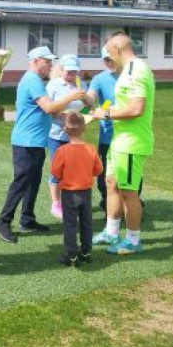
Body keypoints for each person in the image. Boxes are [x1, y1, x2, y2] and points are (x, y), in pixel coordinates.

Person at [0, 46, 87, 243]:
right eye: (47, 61)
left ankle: (27, 219)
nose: (50, 65)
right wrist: (72, 97)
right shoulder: (33, 80)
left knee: (33, 182)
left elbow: (44, 110)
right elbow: (49, 107)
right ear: (36, 61)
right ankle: (3, 222)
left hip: (35, 141)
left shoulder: (33, 80)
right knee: (21, 183)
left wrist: (61, 115)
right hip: (26, 142)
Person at [95, 32, 155, 255]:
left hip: (131, 142)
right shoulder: (127, 70)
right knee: (111, 184)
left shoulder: (136, 70)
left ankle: (132, 240)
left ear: (117, 49)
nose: (109, 56)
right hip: (119, 141)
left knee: (129, 192)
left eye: (109, 52)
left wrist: (106, 113)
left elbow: (136, 108)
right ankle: (111, 232)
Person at [50, 112, 103, 266]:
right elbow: (98, 170)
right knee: (87, 222)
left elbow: (55, 172)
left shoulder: (62, 151)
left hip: (69, 193)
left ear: (65, 129)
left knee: (70, 224)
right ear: (84, 128)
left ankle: (71, 254)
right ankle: (86, 252)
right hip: (86, 192)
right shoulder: (91, 149)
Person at [45, 54, 89, 219]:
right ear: (61, 69)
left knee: (73, 170)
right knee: (57, 170)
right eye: (68, 71)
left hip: (75, 135)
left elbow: (85, 105)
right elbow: (48, 109)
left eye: (74, 71)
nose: (71, 74)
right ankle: (56, 203)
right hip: (57, 134)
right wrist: (60, 114)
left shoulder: (81, 85)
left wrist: (86, 113)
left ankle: (69, 201)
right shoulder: (53, 85)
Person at [87, 46, 118, 215]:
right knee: (104, 174)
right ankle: (108, 202)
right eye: (106, 59)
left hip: (128, 136)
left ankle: (132, 202)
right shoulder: (99, 79)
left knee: (129, 174)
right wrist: (86, 98)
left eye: (111, 58)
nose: (109, 62)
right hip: (107, 136)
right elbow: (92, 96)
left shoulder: (130, 77)